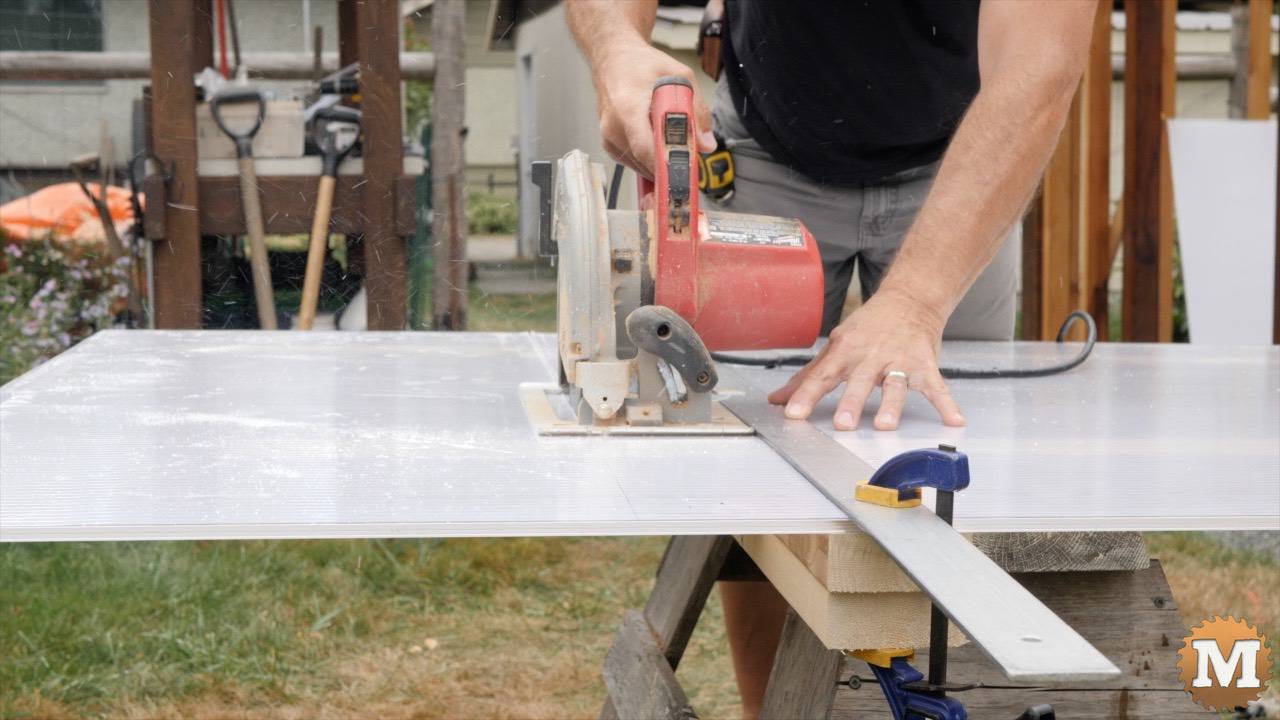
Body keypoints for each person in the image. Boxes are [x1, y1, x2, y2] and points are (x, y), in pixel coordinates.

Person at [567, 0, 1099, 716]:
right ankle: (777, 709)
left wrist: (916, 303)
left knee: (956, 455)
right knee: (747, 459)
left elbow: (1039, 64)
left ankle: (960, 695)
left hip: (965, 152)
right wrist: (615, 47)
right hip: (769, 140)